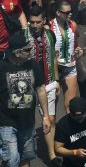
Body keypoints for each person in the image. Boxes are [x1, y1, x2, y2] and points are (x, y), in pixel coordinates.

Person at [0, 31, 51, 167]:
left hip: (27, 122)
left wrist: (45, 116)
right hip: (7, 123)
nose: (31, 51)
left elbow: (40, 89)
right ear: (17, 53)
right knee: (11, 160)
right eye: (28, 50)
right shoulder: (2, 67)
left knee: (25, 157)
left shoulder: (33, 64)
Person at [27, 4, 57, 162]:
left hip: (48, 81)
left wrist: (56, 81)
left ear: (44, 20)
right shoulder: (23, 36)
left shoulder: (51, 35)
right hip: (28, 85)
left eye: (38, 22)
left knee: (50, 119)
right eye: (32, 22)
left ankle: (52, 155)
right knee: (27, 120)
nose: (35, 25)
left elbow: (54, 58)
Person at [53, 96, 86, 166]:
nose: (79, 119)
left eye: (81, 116)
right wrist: (74, 152)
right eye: (75, 117)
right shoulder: (63, 124)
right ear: (70, 111)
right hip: (72, 163)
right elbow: (57, 149)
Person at [49, 0, 82, 110]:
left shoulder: (73, 25)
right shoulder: (49, 27)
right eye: (66, 12)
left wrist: (79, 51)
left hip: (70, 67)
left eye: (70, 11)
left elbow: (76, 44)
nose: (70, 14)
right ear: (58, 13)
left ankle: (70, 127)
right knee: (51, 107)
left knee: (70, 105)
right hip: (54, 70)